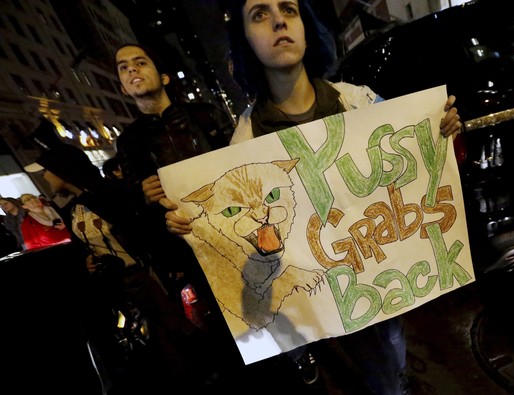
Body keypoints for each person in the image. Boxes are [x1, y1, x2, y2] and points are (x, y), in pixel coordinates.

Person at [167, 1, 463, 393]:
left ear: (305, 25)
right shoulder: (244, 144)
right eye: (259, 15)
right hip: (322, 294)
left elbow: (411, 164)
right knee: (367, 366)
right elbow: (233, 239)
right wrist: (190, 222)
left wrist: (440, 130)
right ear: (246, 42)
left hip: (380, 268)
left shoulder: (359, 103)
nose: (277, 21)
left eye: (288, 9)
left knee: (392, 350)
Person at [25, 142, 224, 394]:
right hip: (116, 287)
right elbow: (85, 244)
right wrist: (88, 260)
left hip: (147, 277)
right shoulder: (72, 208)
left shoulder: (113, 194)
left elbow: (147, 230)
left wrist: (169, 263)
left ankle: (207, 371)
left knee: (172, 326)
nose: (44, 176)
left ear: (61, 168)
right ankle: (189, 378)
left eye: (46, 169)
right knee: (152, 335)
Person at [113, 43, 246, 389]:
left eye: (140, 62)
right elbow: (132, 208)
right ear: (123, 86)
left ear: (164, 75)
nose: (131, 70)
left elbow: (242, 168)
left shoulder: (205, 115)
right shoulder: (129, 142)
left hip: (236, 237)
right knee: (226, 334)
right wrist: (144, 199)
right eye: (123, 68)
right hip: (190, 256)